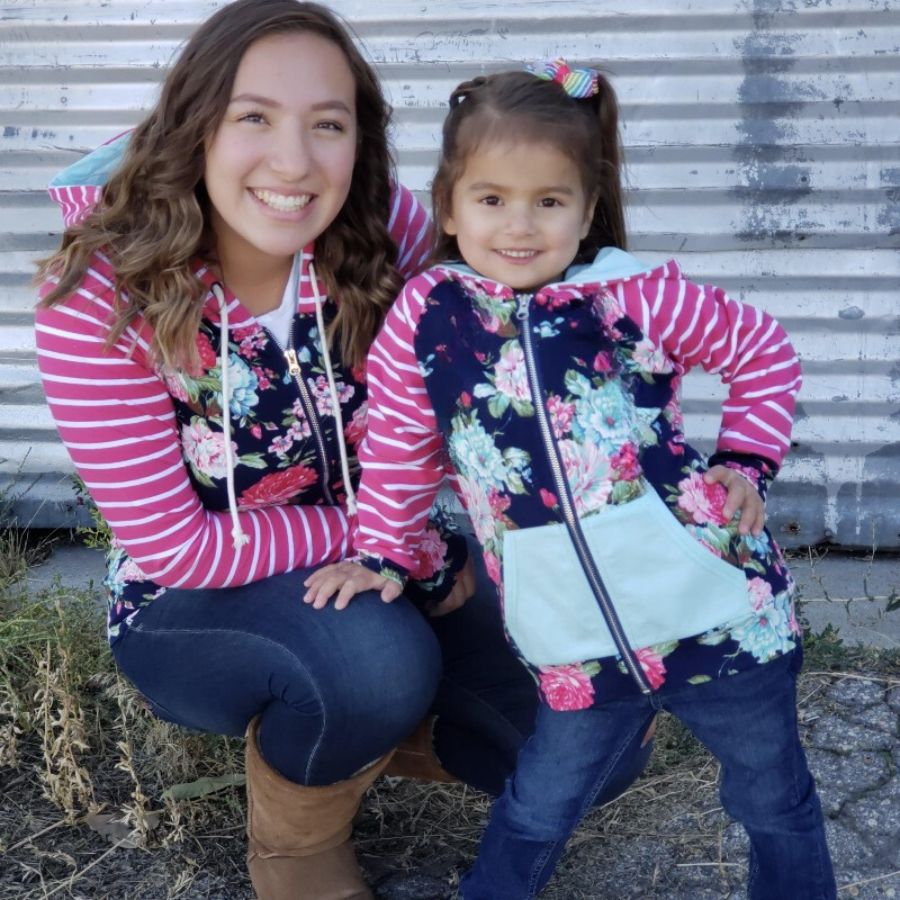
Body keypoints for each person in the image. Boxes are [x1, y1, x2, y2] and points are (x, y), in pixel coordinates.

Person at [33, 3, 653, 897]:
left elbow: (504, 366)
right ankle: (299, 850)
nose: (293, 163)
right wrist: (411, 551)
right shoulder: (99, 291)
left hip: (393, 552)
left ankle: (364, 732)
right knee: (372, 661)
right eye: (254, 117)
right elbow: (176, 547)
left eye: (328, 124)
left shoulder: (387, 231)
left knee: (601, 724)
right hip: (193, 599)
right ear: (195, 125)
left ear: (361, 139)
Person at [304, 61, 837, 899]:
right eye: (491, 199)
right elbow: (402, 447)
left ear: (586, 211)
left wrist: (745, 462)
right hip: (570, 639)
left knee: (773, 798)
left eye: (549, 201)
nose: (519, 225)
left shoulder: (631, 297)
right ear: (449, 206)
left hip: (718, 611)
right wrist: (382, 552)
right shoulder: (428, 318)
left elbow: (763, 351)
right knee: (537, 806)